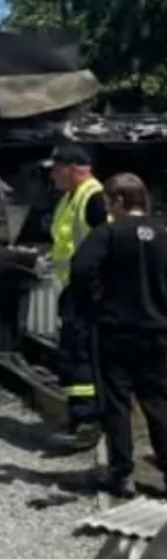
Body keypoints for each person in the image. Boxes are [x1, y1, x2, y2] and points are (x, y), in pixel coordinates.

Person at [70, 173, 167, 498]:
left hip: (115, 330)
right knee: (157, 402)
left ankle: (121, 473)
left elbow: (81, 269)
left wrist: (93, 303)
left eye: (111, 203)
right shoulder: (163, 234)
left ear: (120, 202)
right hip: (158, 332)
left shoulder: (108, 234)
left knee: (117, 404)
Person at [45, 144, 108, 432]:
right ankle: (79, 415)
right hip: (73, 287)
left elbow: (107, 245)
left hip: (89, 290)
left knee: (80, 354)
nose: (52, 175)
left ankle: (87, 418)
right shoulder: (70, 198)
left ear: (73, 169)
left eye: (56, 169)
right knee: (71, 352)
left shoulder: (93, 197)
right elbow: (65, 242)